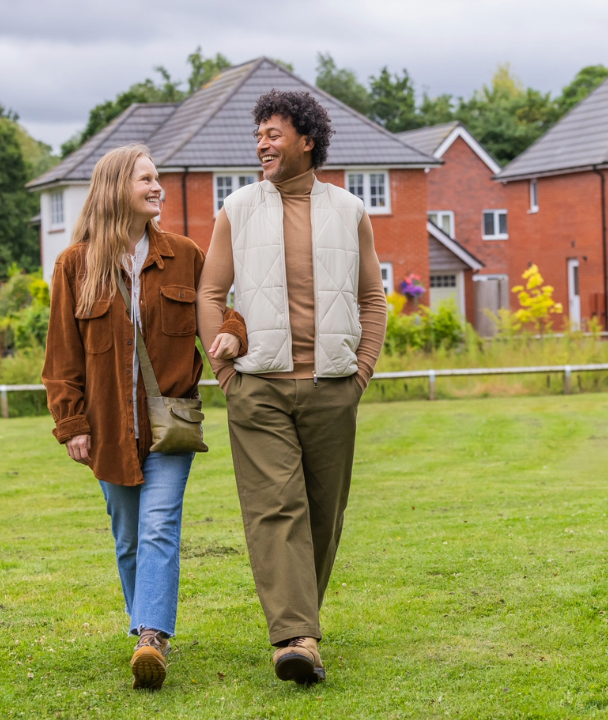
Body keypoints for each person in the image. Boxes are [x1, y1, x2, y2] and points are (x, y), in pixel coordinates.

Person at [197, 90, 388, 685]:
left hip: (333, 387)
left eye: (273, 133)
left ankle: (299, 619)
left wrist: (361, 372)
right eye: (258, 134)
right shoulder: (239, 208)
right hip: (259, 389)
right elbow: (209, 294)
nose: (262, 143)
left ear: (307, 140)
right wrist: (226, 373)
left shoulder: (350, 210)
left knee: (323, 514)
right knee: (275, 509)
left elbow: (372, 298)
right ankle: (295, 639)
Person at [42, 144, 247, 690]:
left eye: (158, 179)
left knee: (159, 528)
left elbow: (224, 306)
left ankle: (152, 636)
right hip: (108, 428)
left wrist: (234, 331)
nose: (157, 188)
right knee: (129, 537)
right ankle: (144, 630)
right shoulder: (75, 264)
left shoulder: (183, 254)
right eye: (147, 179)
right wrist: (72, 424)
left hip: (170, 423)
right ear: (116, 189)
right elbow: (61, 358)